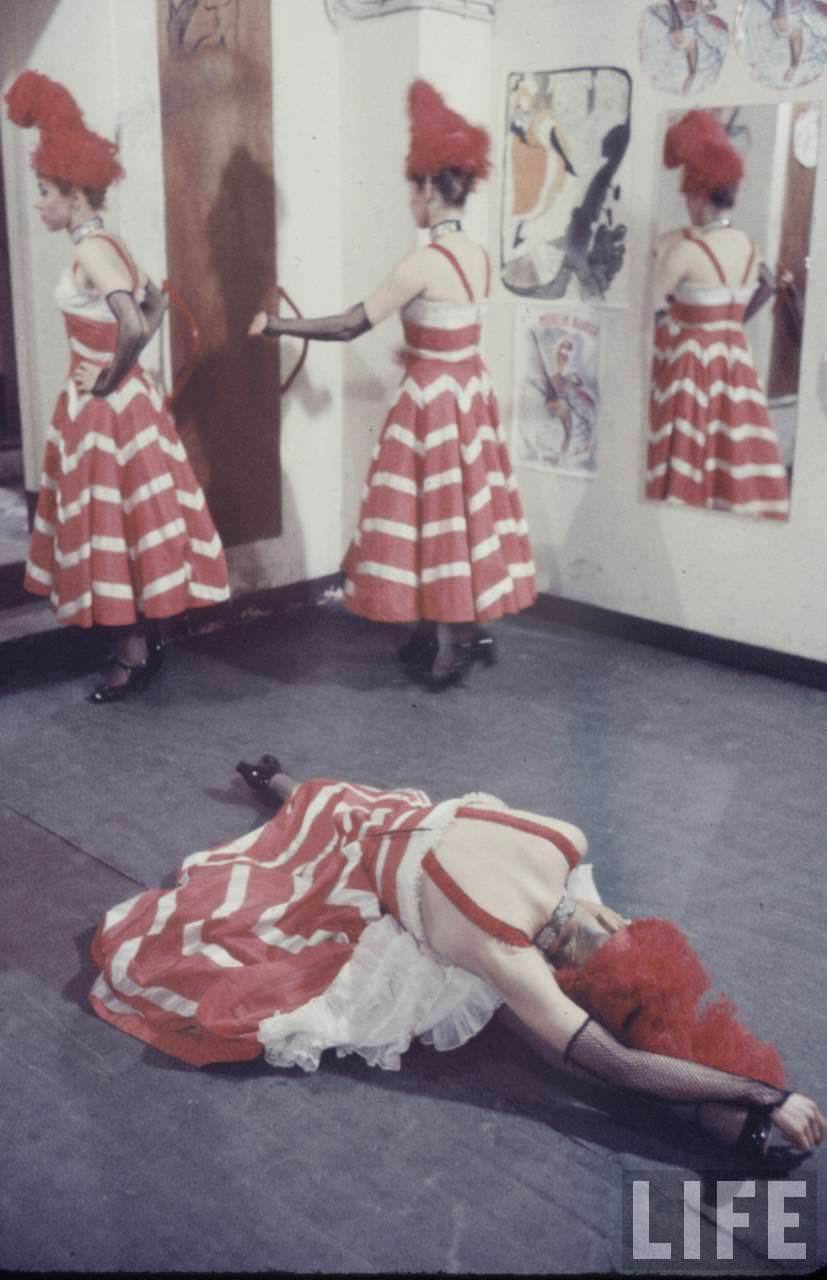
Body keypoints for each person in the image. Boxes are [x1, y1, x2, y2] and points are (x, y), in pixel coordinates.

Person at [89, 751, 824, 1160]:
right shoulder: (510, 926)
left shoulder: (557, 849)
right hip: (357, 862)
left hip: (396, 832)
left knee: (325, 803)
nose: (614, 917)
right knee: (316, 817)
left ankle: (274, 780)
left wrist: (753, 1096)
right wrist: (767, 1094)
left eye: (614, 927)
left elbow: (611, 1052)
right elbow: (610, 1062)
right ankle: (276, 782)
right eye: (617, 921)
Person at [249, 81, 537, 690]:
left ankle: (450, 641)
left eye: (413, 187)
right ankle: (443, 630)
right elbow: (455, 330)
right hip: (468, 399)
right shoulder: (479, 256)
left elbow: (353, 322)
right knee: (454, 519)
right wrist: (424, 346)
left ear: (430, 187)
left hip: (431, 405)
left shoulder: (421, 262)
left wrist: (278, 323)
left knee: (425, 516)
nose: (410, 199)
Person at [5, 70, 230, 701]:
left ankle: (133, 651)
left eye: (45, 191)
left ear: (75, 195)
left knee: (113, 521)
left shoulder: (92, 253)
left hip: (107, 406)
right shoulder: (111, 243)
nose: (38, 203)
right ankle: (142, 640)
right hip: (122, 403)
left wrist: (108, 372)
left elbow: (136, 318)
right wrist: (123, 370)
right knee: (126, 523)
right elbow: (156, 303)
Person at [646, 109, 790, 519]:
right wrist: (729, 324)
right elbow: (766, 286)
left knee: (691, 451)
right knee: (733, 447)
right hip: (734, 358)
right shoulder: (748, 246)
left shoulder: (686, 252)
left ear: (696, 195)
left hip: (692, 364)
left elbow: (647, 311)